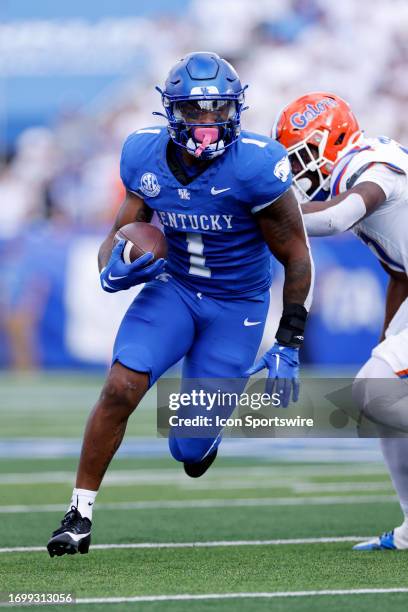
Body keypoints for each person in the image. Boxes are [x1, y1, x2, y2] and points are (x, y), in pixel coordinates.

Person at [47, 52, 313, 557]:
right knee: (121, 385)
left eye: (219, 109)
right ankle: (78, 513)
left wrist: (289, 338)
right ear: (172, 112)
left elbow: (297, 256)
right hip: (174, 289)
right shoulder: (143, 155)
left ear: (237, 110)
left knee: (188, 450)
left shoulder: (258, 164)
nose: (208, 122)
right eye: (195, 110)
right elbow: (120, 232)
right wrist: (112, 267)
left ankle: (203, 439)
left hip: (237, 306)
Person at [274, 91, 408, 550]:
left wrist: (261, 214)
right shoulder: (367, 162)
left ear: (334, 137)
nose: (300, 170)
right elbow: (399, 273)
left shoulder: (368, 164)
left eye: (304, 155)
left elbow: (333, 218)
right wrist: (386, 340)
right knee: (382, 400)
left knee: (372, 390)